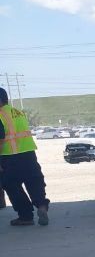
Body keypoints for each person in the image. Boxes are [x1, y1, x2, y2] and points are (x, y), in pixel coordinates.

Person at [0, 87, 49, 226]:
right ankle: (41, 206)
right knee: (34, 181)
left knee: (12, 186)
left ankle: (26, 216)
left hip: (9, 157)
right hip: (28, 154)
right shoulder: (18, 112)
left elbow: (1, 139)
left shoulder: (0, 115)